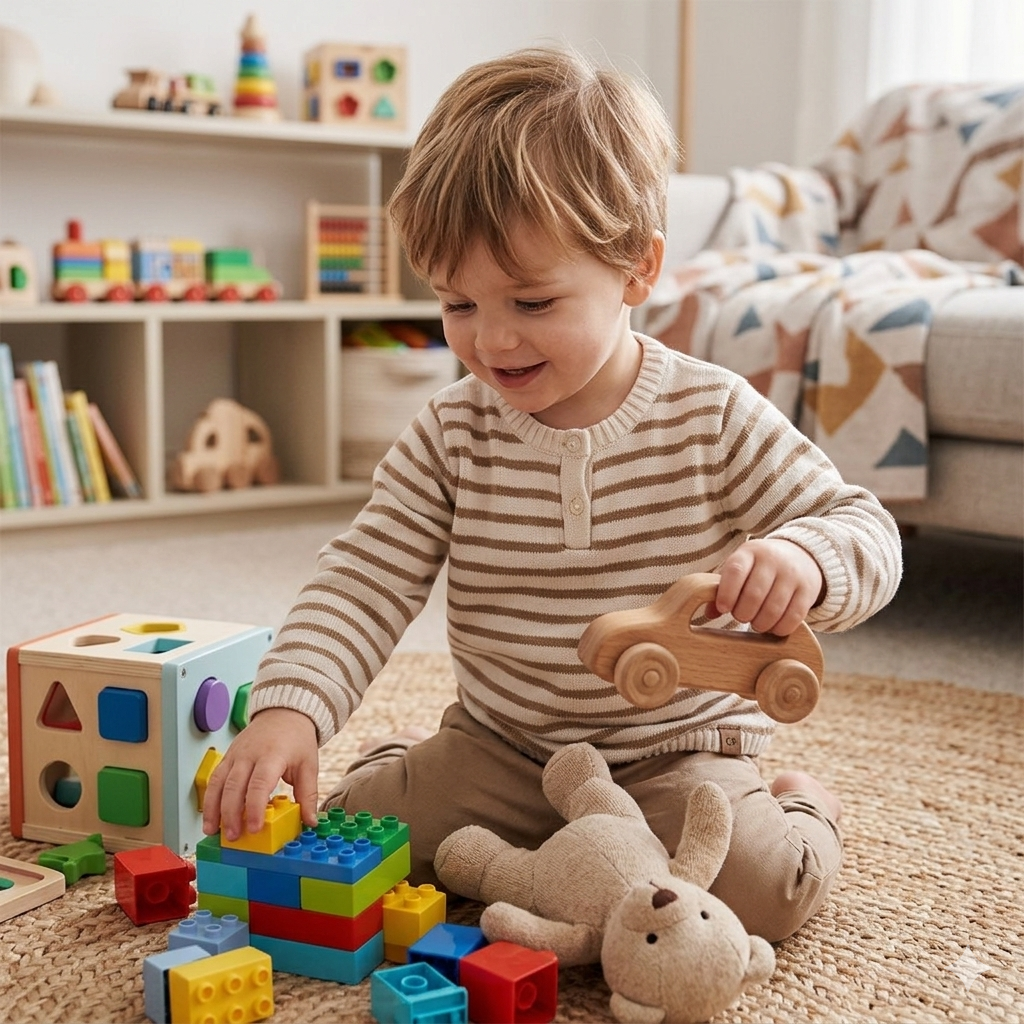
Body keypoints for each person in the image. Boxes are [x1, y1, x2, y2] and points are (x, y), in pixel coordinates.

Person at [202, 46, 902, 942]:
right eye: (457, 305)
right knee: (359, 841)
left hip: (674, 757)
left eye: (532, 303)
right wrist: (291, 708)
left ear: (637, 270)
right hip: (506, 751)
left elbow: (863, 527)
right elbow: (364, 579)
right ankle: (403, 764)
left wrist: (806, 558)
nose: (492, 342)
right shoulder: (454, 432)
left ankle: (806, 809)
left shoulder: (713, 414)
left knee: (761, 895)